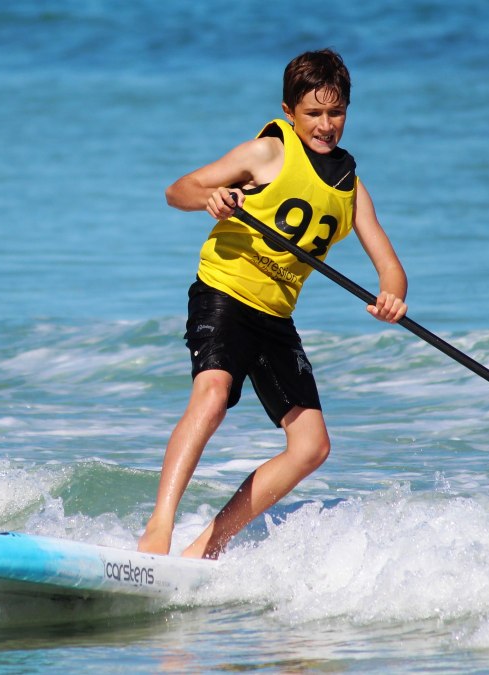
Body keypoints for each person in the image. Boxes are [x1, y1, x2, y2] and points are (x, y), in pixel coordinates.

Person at [138, 48, 408, 560]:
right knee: (213, 394)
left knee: (311, 447)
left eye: (336, 113)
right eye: (313, 113)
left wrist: (393, 295)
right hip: (223, 293)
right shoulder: (269, 153)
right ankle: (159, 528)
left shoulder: (350, 189)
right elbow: (178, 190)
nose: (326, 125)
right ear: (289, 112)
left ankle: (206, 549)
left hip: (275, 316)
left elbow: (389, 264)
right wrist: (211, 199)